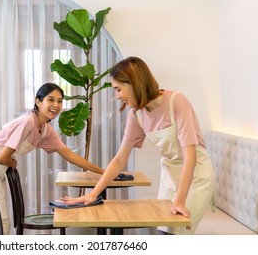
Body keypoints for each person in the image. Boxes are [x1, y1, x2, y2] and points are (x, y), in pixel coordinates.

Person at [61, 56, 215, 235]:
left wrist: (179, 201)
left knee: (177, 233)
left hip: (196, 177)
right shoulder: (137, 115)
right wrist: (93, 193)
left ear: (134, 83)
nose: (117, 96)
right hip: (170, 175)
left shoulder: (177, 102)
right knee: (163, 232)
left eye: (118, 89)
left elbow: (190, 156)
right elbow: (119, 159)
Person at [0, 83, 104, 235]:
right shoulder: (28, 122)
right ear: (38, 102)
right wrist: (13, 163)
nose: (56, 105)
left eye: (59, 101)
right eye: (50, 100)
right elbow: (3, 157)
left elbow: (70, 156)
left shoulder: (45, 129)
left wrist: (103, 172)